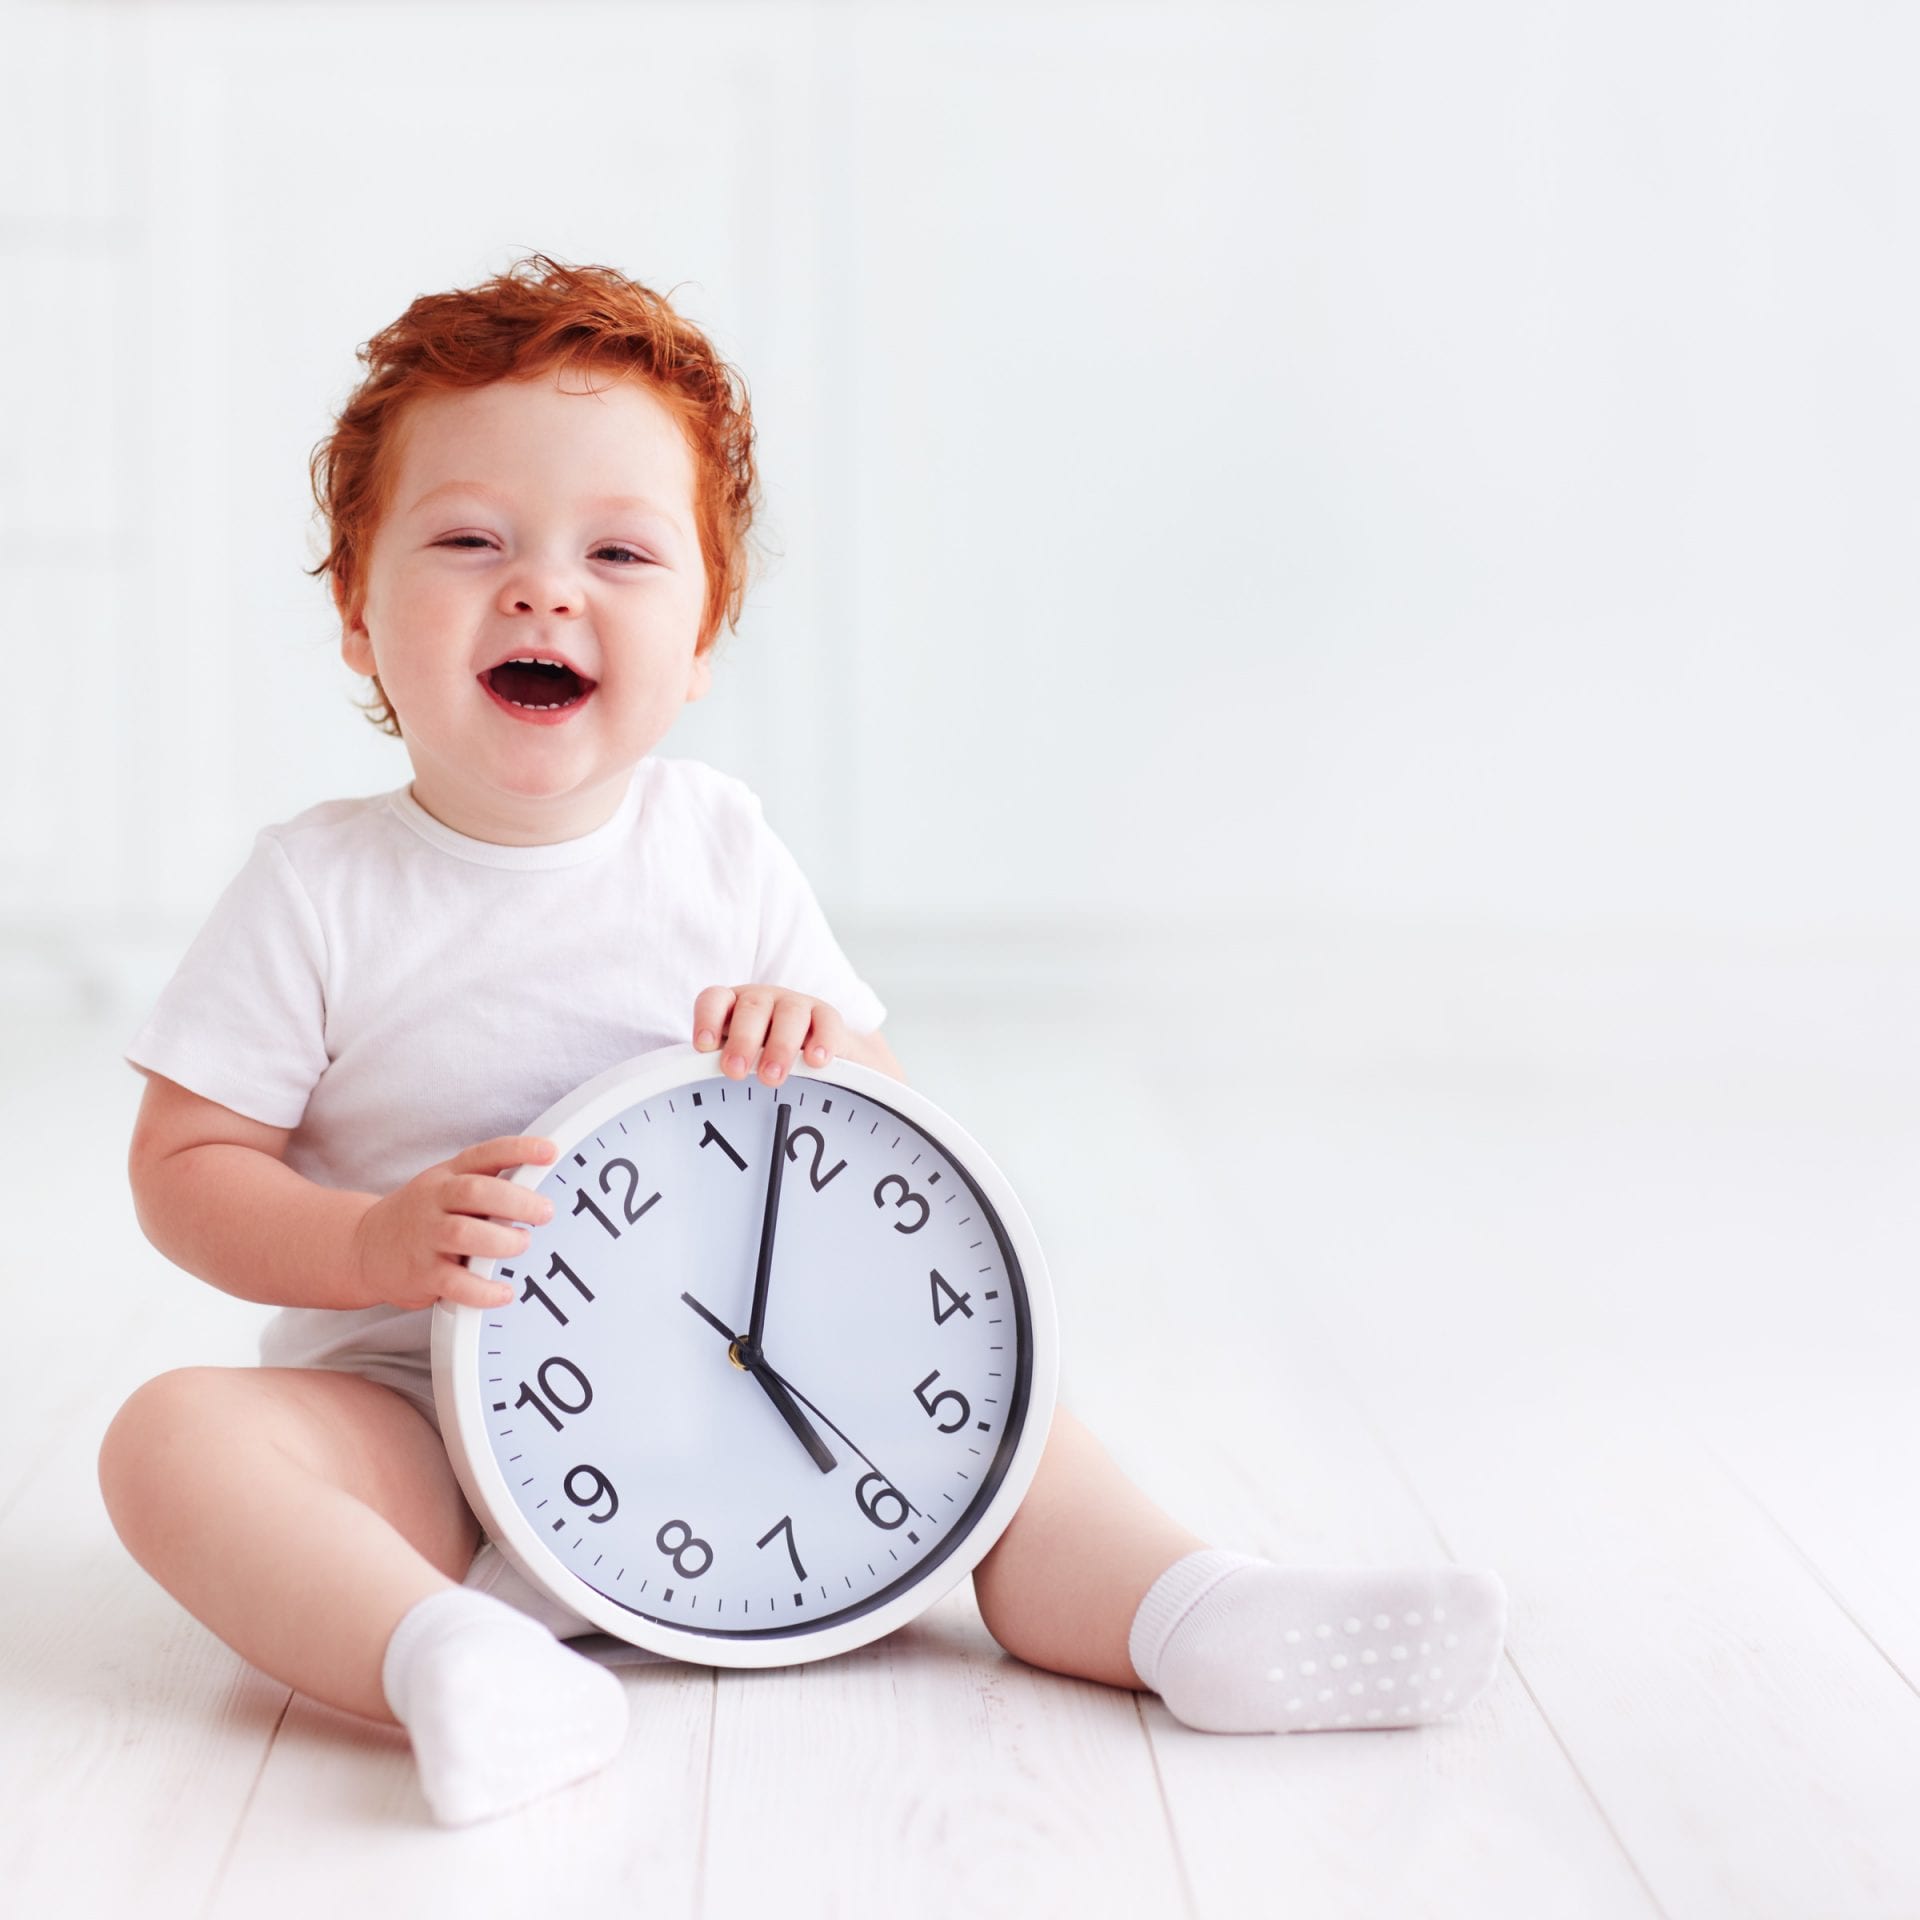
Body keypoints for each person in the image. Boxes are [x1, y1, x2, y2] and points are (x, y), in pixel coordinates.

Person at [100, 253, 1508, 1828]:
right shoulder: (320, 888)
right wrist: (369, 1244)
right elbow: (187, 1164)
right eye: (471, 540)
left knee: (1012, 1440)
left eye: (620, 552)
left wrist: (826, 1049)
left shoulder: (720, 849)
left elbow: (898, 1158)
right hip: (418, 1421)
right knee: (174, 1444)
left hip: (759, 1392)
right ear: (359, 615)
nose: (544, 588)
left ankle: (1196, 1612)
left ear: (703, 641)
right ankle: (445, 1660)